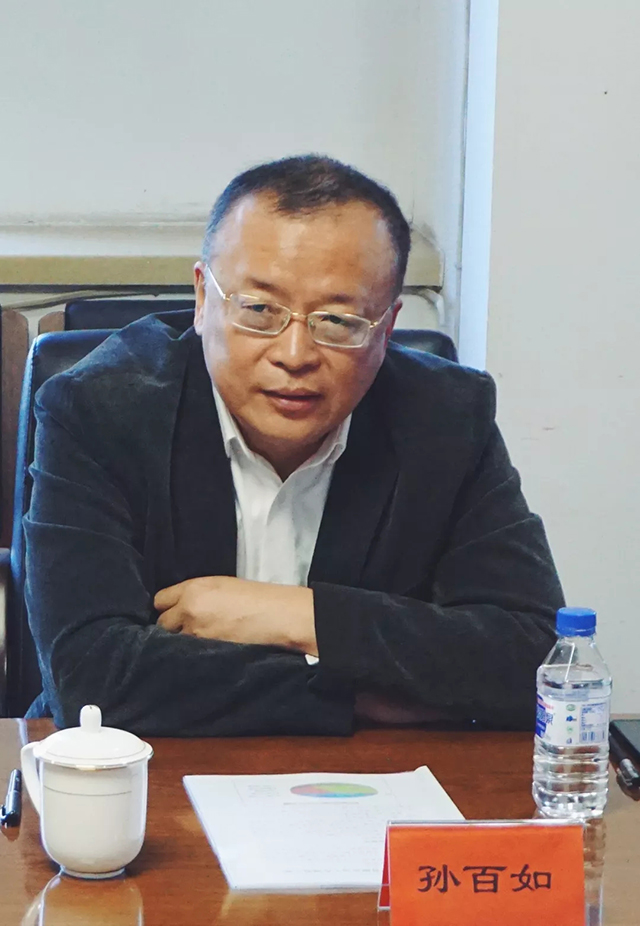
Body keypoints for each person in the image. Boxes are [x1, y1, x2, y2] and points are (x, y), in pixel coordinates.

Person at [24, 155, 564, 735]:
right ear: (203, 298)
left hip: (371, 779)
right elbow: (91, 679)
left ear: (386, 328)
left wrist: (297, 615)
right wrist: (361, 695)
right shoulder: (98, 410)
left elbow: (535, 657)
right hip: (149, 775)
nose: (294, 355)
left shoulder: (446, 420)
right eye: (260, 310)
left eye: (338, 321)